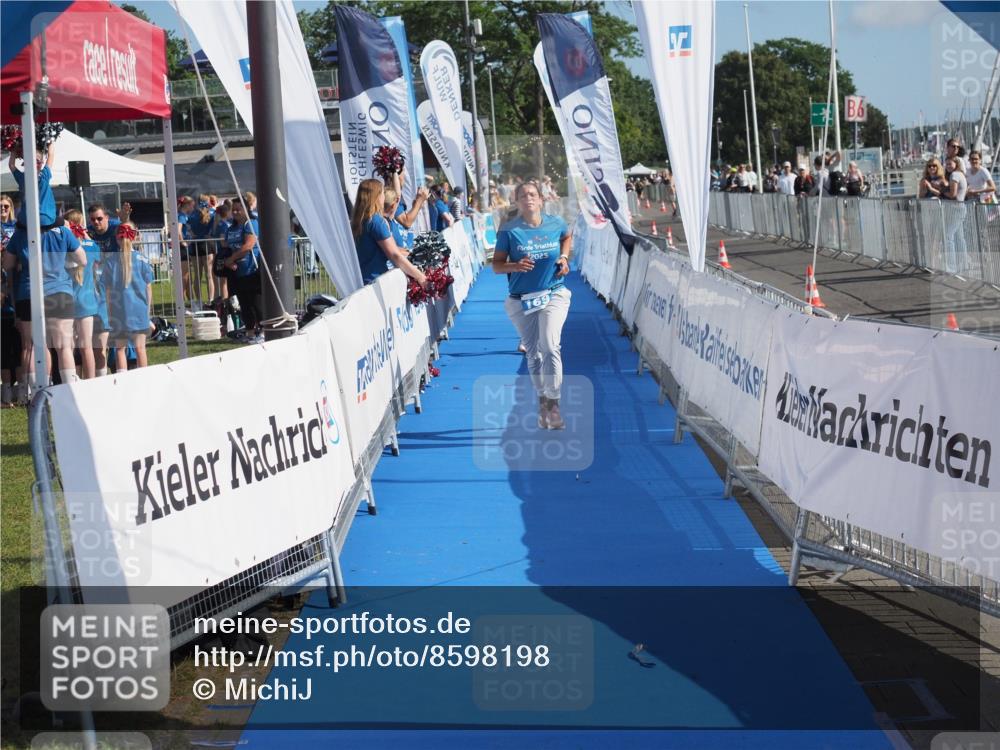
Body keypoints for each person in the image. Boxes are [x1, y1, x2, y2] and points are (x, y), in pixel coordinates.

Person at [493, 181, 573, 430]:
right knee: (533, 353)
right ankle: (542, 401)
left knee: (550, 346)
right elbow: (496, 265)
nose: (528, 198)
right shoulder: (509, 231)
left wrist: (563, 257)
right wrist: (515, 266)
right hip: (521, 299)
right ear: (516, 202)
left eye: (532, 194)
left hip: (553, 293)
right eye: (522, 195)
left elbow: (567, 236)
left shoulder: (556, 223)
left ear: (541, 200)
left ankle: (554, 403)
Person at [2, 217, 87, 393]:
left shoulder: (20, 233)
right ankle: (68, 390)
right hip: (59, 290)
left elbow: (7, 264)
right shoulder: (63, 231)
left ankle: (34, 393)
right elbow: (82, 259)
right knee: (63, 345)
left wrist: (20, 260)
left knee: (32, 345)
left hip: (29, 292)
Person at [351, 178, 427, 286]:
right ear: (377, 196)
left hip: (362, 279)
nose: (384, 197)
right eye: (382, 193)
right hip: (375, 282)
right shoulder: (376, 221)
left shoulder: (360, 220)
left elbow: (381, 249)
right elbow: (394, 255)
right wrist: (420, 276)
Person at [102, 222, 152, 369]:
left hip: (119, 310)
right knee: (140, 349)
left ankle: (122, 380)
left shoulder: (110, 261)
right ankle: (144, 379)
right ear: (134, 237)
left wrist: (110, 313)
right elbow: (148, 289)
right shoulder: (143, 259)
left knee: (120, 350)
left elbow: (108, 292)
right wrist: (147, 311)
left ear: (117, 239)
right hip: (139, 310)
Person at [65, 210, 102, 379]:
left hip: (68, 300)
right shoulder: (92, 246)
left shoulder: (65, 246)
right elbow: (97, 265)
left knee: (69, 346)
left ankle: (72, 381)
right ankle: (91, 381)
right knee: (87, 346)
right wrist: (86, 237)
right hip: (87, 299)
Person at [223, 201, 263, 343]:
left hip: (252, 269)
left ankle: (263, 332)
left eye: (238, 210)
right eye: (233, 210)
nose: (235, 212)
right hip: (237, 272)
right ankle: (250, 333)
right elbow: (226, 246)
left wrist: (232, 258)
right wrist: (228, 260)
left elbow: (249, 245)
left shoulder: (251, 224)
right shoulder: (230, 228)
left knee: (256, 303)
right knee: (244, 304)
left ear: (246, 210)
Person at [942, 157, 968, 273]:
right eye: (946, 164)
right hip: (961, 207)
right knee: (959, 238)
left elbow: (953, 194)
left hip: (956, 209)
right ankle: (964, 263)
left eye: (950, 163)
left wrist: (941, 191)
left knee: (948, 237)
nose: (947, 166)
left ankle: (951, 267)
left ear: (956, 164)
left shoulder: (954, 175)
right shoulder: (961, 174)